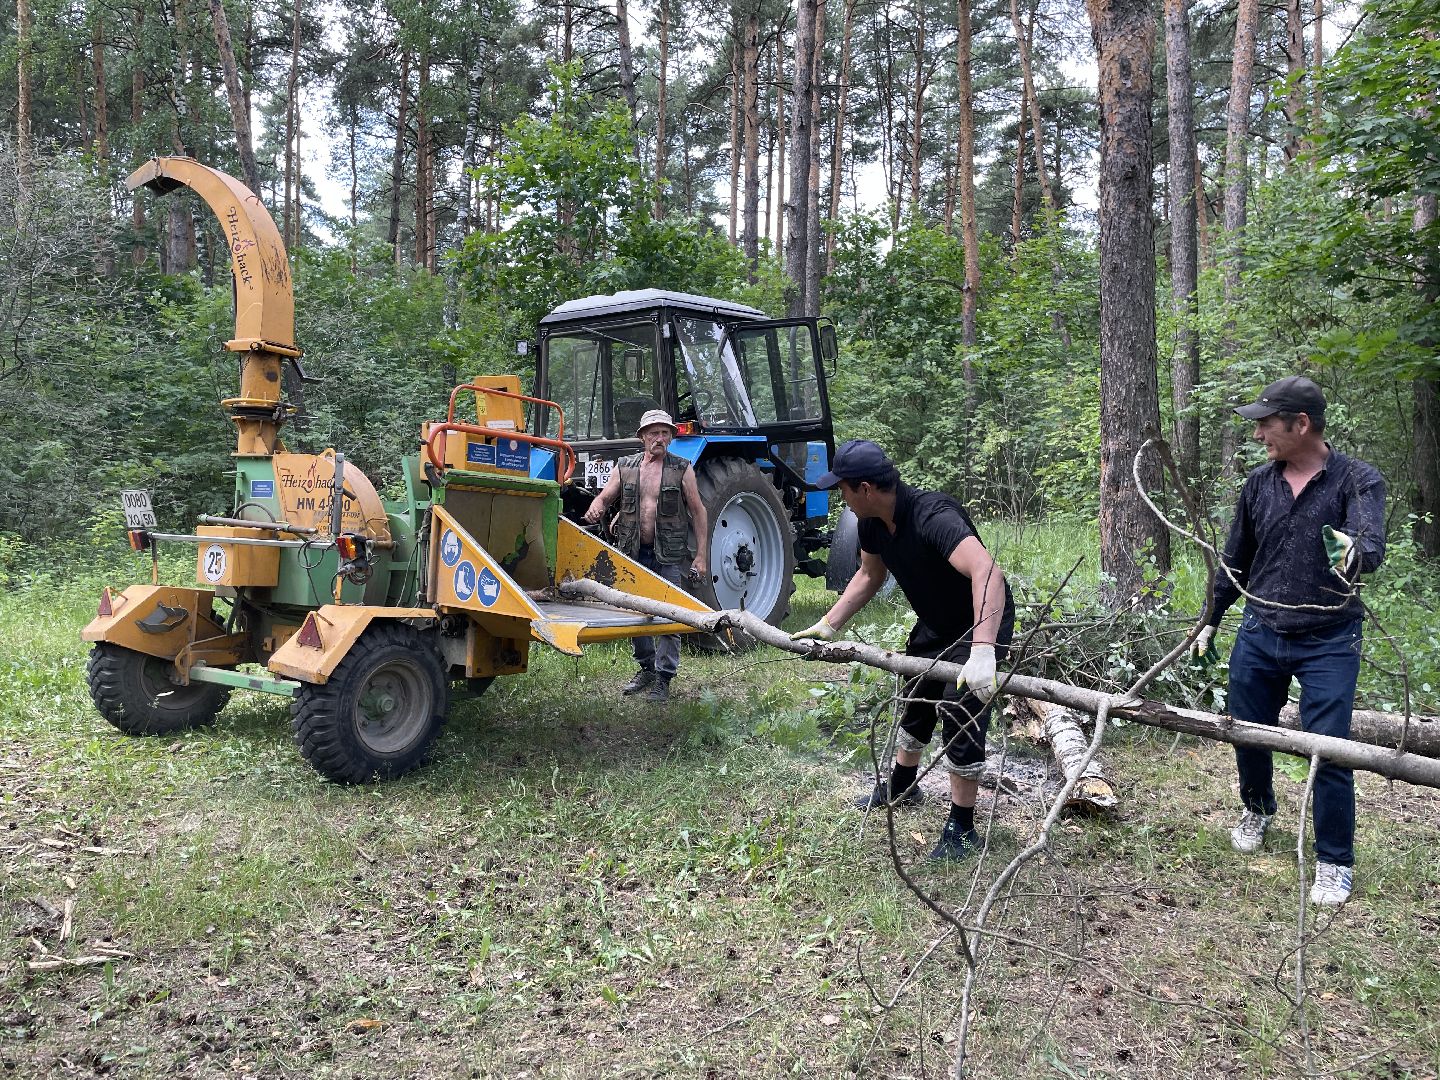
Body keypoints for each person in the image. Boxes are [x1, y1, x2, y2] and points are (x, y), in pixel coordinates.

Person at [1192, 375, 1385, 906]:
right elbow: (1237, 557)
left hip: (1330, 635)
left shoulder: (1357, 480)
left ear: (1301, 424)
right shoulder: (1259, 483)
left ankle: (1334, 862)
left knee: (1329, 749)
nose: (1258, 434)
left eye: (1266, 424)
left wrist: (1353, 549)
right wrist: (1210, 617)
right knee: (1247, 732)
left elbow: (1369, 546)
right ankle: (1257, 807)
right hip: (1260, 629)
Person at [792, 440, 1015, 861]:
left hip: (978, 621)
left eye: (842, 489)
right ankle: (903, 785)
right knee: (916, 693)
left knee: (959, 706)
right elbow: (868, 574)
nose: (841, 497)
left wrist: (984, 649)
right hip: (936, 621)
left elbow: (988, 571)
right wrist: (828, 624)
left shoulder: (934, 516)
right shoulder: (871, 523)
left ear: (866, 489)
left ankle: (962, 827)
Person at [583, 409, 708, 703]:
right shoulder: (626, 467)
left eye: (665, 433)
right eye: (654, 433)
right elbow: (605, 496)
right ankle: (646, 668)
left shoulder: (682, 468)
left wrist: (701, 556)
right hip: (634, 552)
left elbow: (699, 511)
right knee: (634, 613)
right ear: (642, 437)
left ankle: (664, 678)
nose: (660, 439)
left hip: (670, 555)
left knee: (669, 615)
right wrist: (597, 506)